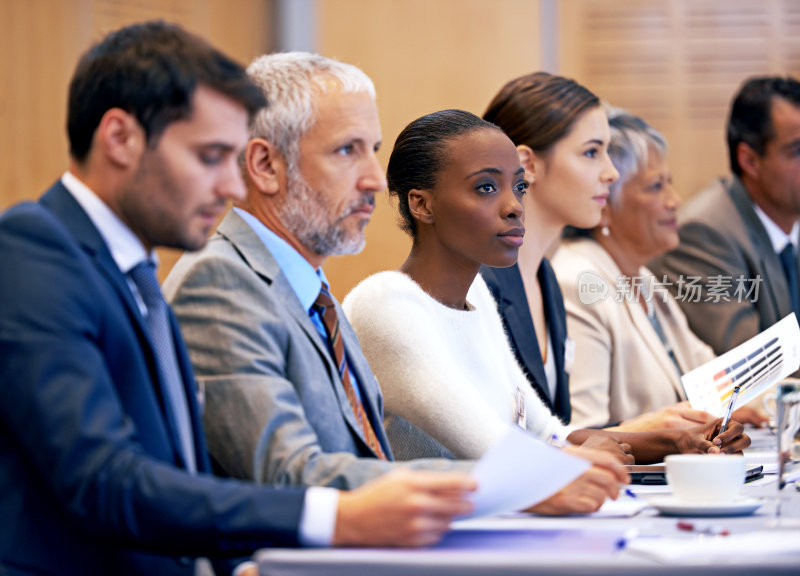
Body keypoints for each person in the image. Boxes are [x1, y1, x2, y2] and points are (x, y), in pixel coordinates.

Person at [0, 23, 476, 576]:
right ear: (120, 139)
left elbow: (182, 479)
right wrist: (332, 517)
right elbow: (106, 480)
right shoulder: (32, 249)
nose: (231, 186)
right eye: (210, 157)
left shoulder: (133, 269)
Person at [342, 109, 748, 480]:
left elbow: (545, 432)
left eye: (518, 187)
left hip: (497, 524)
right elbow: (493, 448)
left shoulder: (479, 295)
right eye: (486, 187)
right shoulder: (386, 303)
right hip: (427, 547)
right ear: (422, 205)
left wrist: (675, 442)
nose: (515, 206)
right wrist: (585, 455)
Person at [477, 72, 736, 433]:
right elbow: (515, 441)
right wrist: (654, 432)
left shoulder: (545, 278)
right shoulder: (482, 288)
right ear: (529, 166)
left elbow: (555, 434)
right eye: (591, 152)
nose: (611, 173)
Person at [551, 105, 767, 429]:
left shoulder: (642, 277)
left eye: (669, 183)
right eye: (656, 187)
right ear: (604, 203)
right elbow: (583, 435)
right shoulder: (578, 282)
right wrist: (670, 429)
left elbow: (713, 377)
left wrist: (745, 402)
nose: (674, 201)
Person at [650, 76, 800, 358]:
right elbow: (755, 363)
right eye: (797, 151)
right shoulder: (703, 233)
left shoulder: (789, 216)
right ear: (750, 161)